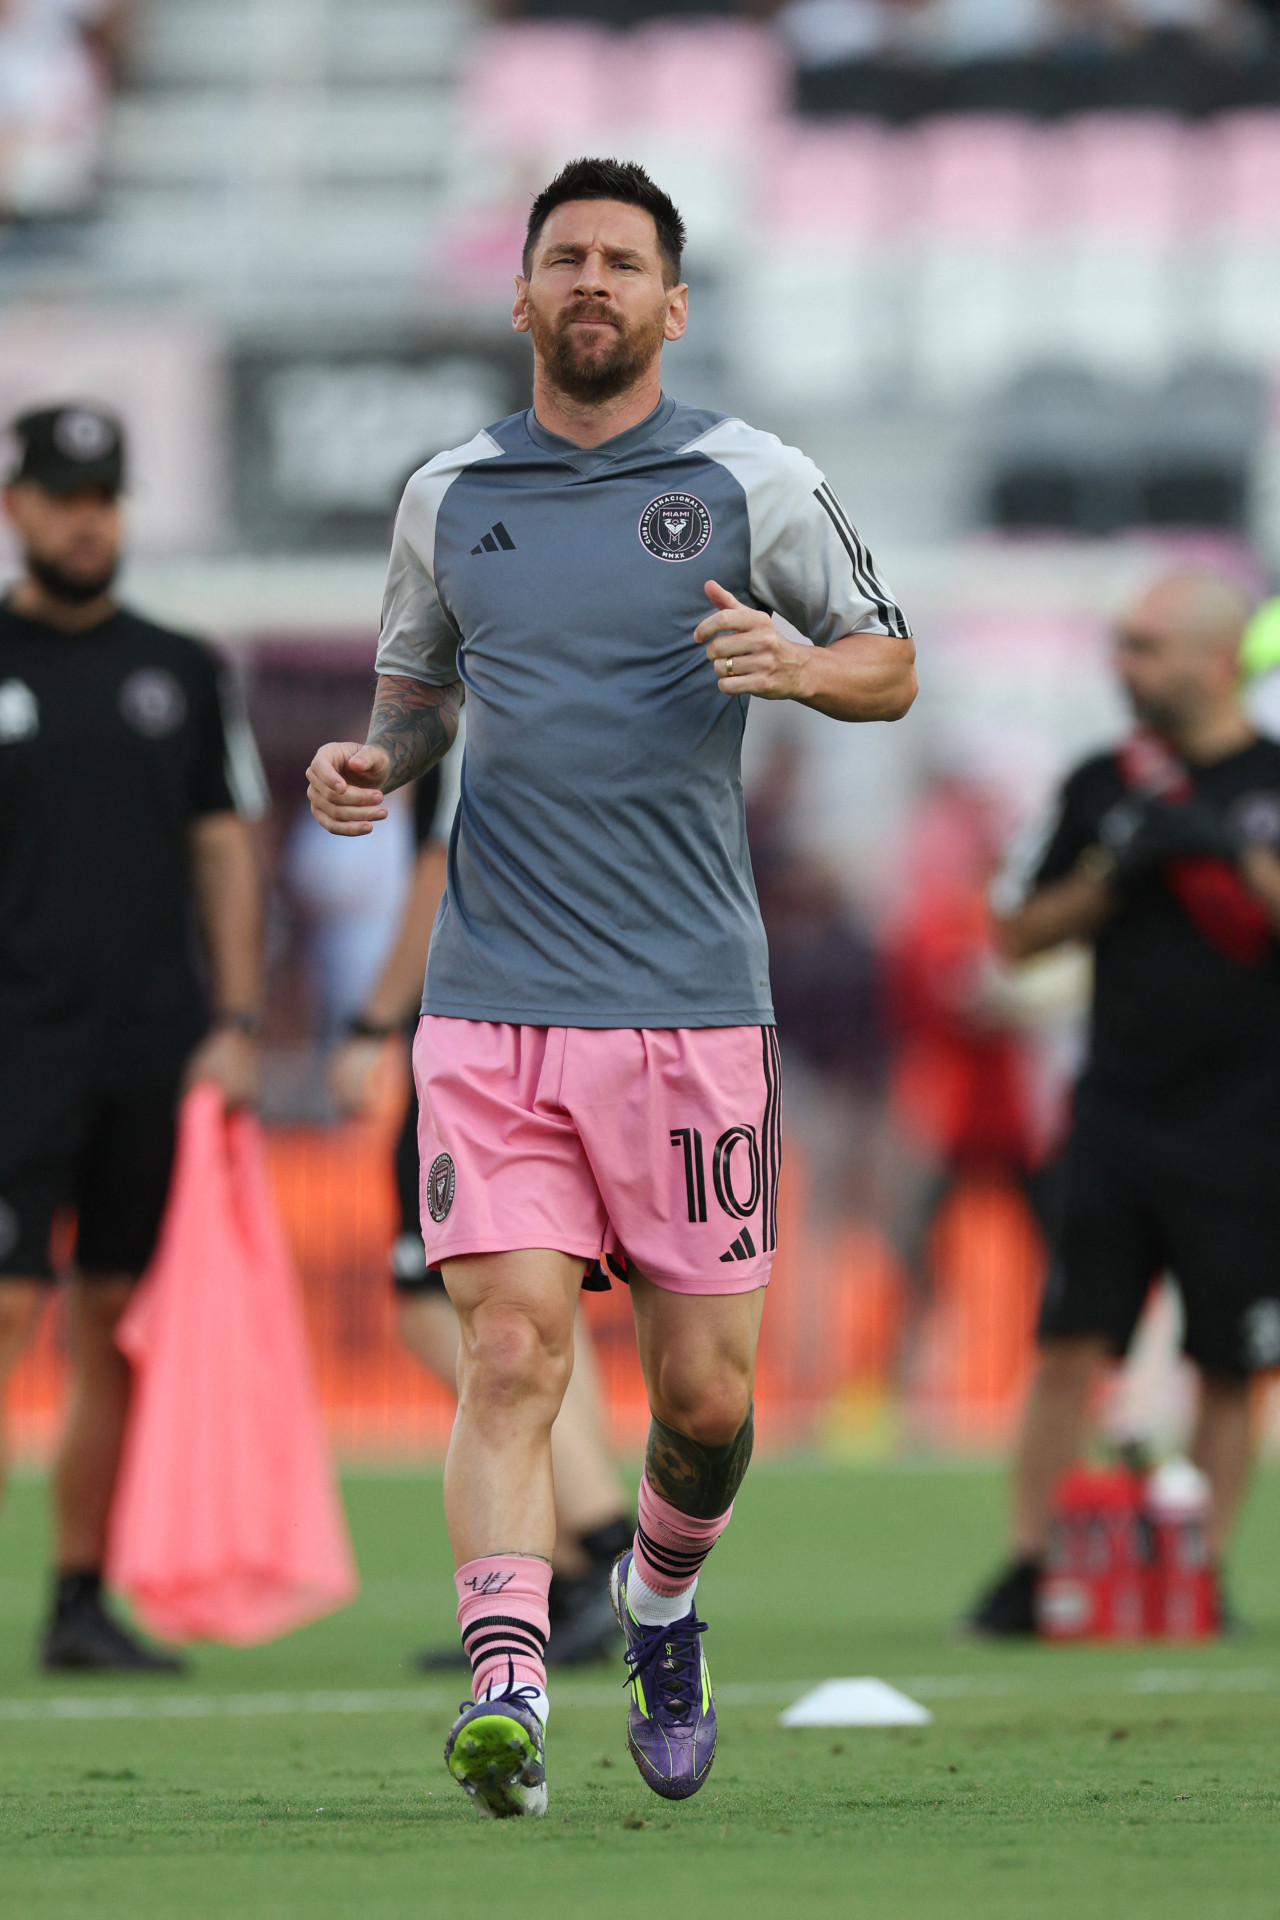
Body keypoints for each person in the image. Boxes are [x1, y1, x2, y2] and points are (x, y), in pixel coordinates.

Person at [308, 155, 916, 1818]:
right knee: (507, 1350)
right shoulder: (448, 495)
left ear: (671, 304)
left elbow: (893, 658)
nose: (591, 281)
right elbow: (416, 701)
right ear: (519, 297)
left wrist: (801, 665)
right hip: (491, 1001)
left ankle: (658, 1608)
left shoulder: (751, 480)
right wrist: (373, 760)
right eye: (563, 256)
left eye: (622, 261)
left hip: (691, 1011)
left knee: (707, 1402)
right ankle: (508, 1685)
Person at [0, 403, 264, 1671]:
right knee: (4, 1312)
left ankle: (76, 1601)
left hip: (148, 1046)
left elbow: (223, 843)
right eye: (59, 494)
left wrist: (239, 1018)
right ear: (16, 506)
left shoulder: (183, 667)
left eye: (101, 495)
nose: (82, 517)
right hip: (11, 1047)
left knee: (113, 1320)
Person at [969, 570, 1280, 1635]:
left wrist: (1228, 857)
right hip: (1115, 1112)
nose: (1123, 663)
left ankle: (1197, 1568)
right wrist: (1116, 869)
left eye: (1144, 645)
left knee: (1229, 1362)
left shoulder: (1269, 781)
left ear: (1211, 656)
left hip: (1249, 1123)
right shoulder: (1103, 780)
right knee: (1069, 1340)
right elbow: (1013, 931)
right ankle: (1029, 1565)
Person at [327, 759, 632, 1667]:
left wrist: (373, 1021)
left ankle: (599, 1555)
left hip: (485, 1037)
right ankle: (589, 1567)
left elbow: (442, 868)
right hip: (586, 1021)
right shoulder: (562, 685)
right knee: (534, 1316)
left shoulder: (482, 701)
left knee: (452, 1309)